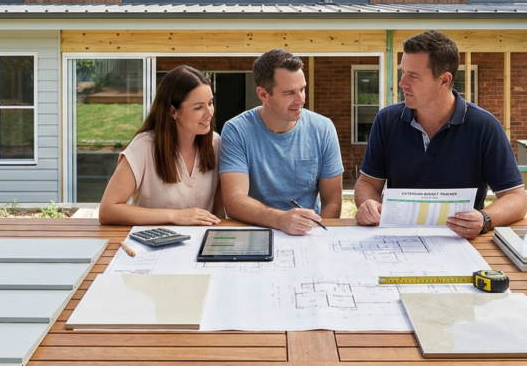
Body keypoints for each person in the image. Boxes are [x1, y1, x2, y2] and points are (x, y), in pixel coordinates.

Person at [355, 30, 527, 239]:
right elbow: (367, 183)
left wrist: (484, 218)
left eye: (413, 76)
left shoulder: (484, 126)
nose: (402, 83)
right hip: (397, 241)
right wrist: (368, 204)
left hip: (462, 243)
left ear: (444, 80)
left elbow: (516, 197)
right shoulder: (387, 121)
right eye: (403, 72)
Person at [220, 49, 343, 236]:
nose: (301, 99)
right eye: (289, 93)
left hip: (307, 235)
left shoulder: (323, 128)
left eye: (302, 89)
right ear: (263, 94)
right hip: (255, 232)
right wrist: (280, 220)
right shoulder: (236, 130)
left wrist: (317, 237)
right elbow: (234, 201)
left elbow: (333, 202)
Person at [98, 65, 224, 226]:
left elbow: (219, 209)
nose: (209, 113)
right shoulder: (143, 147)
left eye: (210, 103)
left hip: (202, 238)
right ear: (173, 111)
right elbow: (108, 210)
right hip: (154, 239)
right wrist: (174, 216)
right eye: (198, 107)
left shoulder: (215, 143)